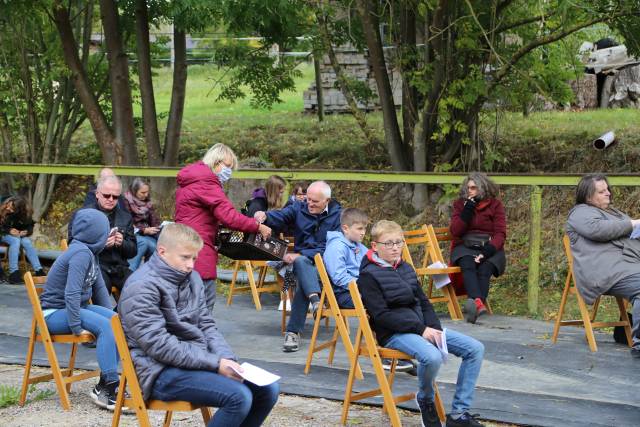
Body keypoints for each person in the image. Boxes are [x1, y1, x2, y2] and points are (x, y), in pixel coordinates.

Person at [118, 223, 279, 426]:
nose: (191, 265)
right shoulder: (141, 286)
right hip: (158, 371)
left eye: (194, 258)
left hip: (193, 361)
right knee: (239, 397)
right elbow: (159, 346)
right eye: (185, 257)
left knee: (267, 390)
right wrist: (215, 363)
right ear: (162, 252)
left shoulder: (191, 278)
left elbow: (206, 325)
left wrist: (226, 359)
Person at [357, 220, 485, 427]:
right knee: (431, 357)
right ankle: (426, 398)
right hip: (394, 334)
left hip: (422, 328)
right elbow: (381, 316)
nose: (395, 248)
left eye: (399, 242)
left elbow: (424, 302)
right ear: (375, 246)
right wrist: (420, 329)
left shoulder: (406, 268)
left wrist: (432, 327)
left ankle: (459, 414)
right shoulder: (368, 275)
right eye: (388, 243)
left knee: (475, 349)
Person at [175, 143, 272, 310]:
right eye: (227, 166)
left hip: (183, 248)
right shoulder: (206, 183)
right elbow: (229, 217)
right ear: (216, 162)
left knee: (185, 308)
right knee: (202, 309)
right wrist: (257, 227)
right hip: (199, 250)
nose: (229, 171)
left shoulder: (192, 181)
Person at [40, 209, 120, 410]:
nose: (108, 235)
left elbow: (100, 290)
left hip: (73, 309)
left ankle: (102, 385)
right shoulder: (81, 253)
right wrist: (77, 327)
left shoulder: (92, 254)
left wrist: (110, 317)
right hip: (52, 314)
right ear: (96, 234)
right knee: (106, 326)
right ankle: (110, 386)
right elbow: (72, 293)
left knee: (117, 323)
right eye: (105, 232)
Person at [254, 181, 341, 353]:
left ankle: (293, 332)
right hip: (304, 267)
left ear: (327, 201)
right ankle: (315, 302)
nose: (309, 204)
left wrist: (301, 256)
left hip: (327, 266)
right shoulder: (298, 208)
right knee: (301, 267)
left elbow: (332, 249)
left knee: (301, 268)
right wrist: (263, 215)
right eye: (308, 199)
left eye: (315, 201)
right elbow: (280, 216)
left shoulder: (338, 217)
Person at [566, 173, 640, 358]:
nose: (608, 193)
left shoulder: (614, 212)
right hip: (606, 273)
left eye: (607, 189)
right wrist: (632, 224)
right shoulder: (580, 212)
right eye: (602, 191)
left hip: (628, 267)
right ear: (588, 196)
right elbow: (597, 230)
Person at [449, 172, 506, 324]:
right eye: (468, 188)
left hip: (490, 246)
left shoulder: (495, 205)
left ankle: (473, 302)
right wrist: (467, 210)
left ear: (483, 188)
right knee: (467, 263)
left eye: (474, 188)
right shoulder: (460, 205)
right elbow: (455, 231)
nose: (470, 191)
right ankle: (478, 303)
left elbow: (500, 233)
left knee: (485, 268)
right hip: (466, 246)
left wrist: (486, 252)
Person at [70, 175, 137, 295]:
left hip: (120, 269)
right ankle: (106, 313)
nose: (111, 199)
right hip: (96, 267)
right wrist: (101, 245)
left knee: (140, 288)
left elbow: (133, 251)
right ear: (97, 194)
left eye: (115, 197)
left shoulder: (125, 217)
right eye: (106, 195)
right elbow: (73, 246)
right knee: (101, 290)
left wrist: (122, 243)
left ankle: (120, 313)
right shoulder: (83, 215)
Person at [0, 196, 44, 284]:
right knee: (15, 241)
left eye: (12, 209)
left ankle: (39, 270)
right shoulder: (3, 207)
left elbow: (30, 226)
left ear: (19, 211)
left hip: (16, 235)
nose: (8, 208)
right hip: (3, 234)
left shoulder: (25, 213)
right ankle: (14, 273)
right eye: (9, 205)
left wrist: (26, 232)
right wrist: (9, 230)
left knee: (26, 242)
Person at [123, 178, 161, 271]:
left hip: (146, 233)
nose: (146, 195)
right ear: (135, 191)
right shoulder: (126, 201)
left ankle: (149, 273)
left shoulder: (147, 202)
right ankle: (130, 272)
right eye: (143, 192)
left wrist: (158, 227)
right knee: (143, 243)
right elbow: (126, 222)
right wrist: (143, 230)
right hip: (132, 233)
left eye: (147, 192)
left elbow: (154, 219)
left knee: (157, 247)